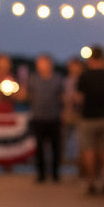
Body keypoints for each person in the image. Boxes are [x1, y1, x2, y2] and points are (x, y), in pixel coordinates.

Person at [75, 46, 104, 194]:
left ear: (91, 59)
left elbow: (79, 98)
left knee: (89, 150)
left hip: (88, 117)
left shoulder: (84, 76)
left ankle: (91, 181)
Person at [24, 54, 64, 182]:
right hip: (38, 117)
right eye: (39, 64)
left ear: (50, 64)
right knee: (40, 148)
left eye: (44, 63)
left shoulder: (58, 78)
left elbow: (62, 97)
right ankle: (41, 174)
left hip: (54, 117)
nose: (41, 66)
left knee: (55, 148)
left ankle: (55, 174)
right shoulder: (33, 78)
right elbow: (28, 95)